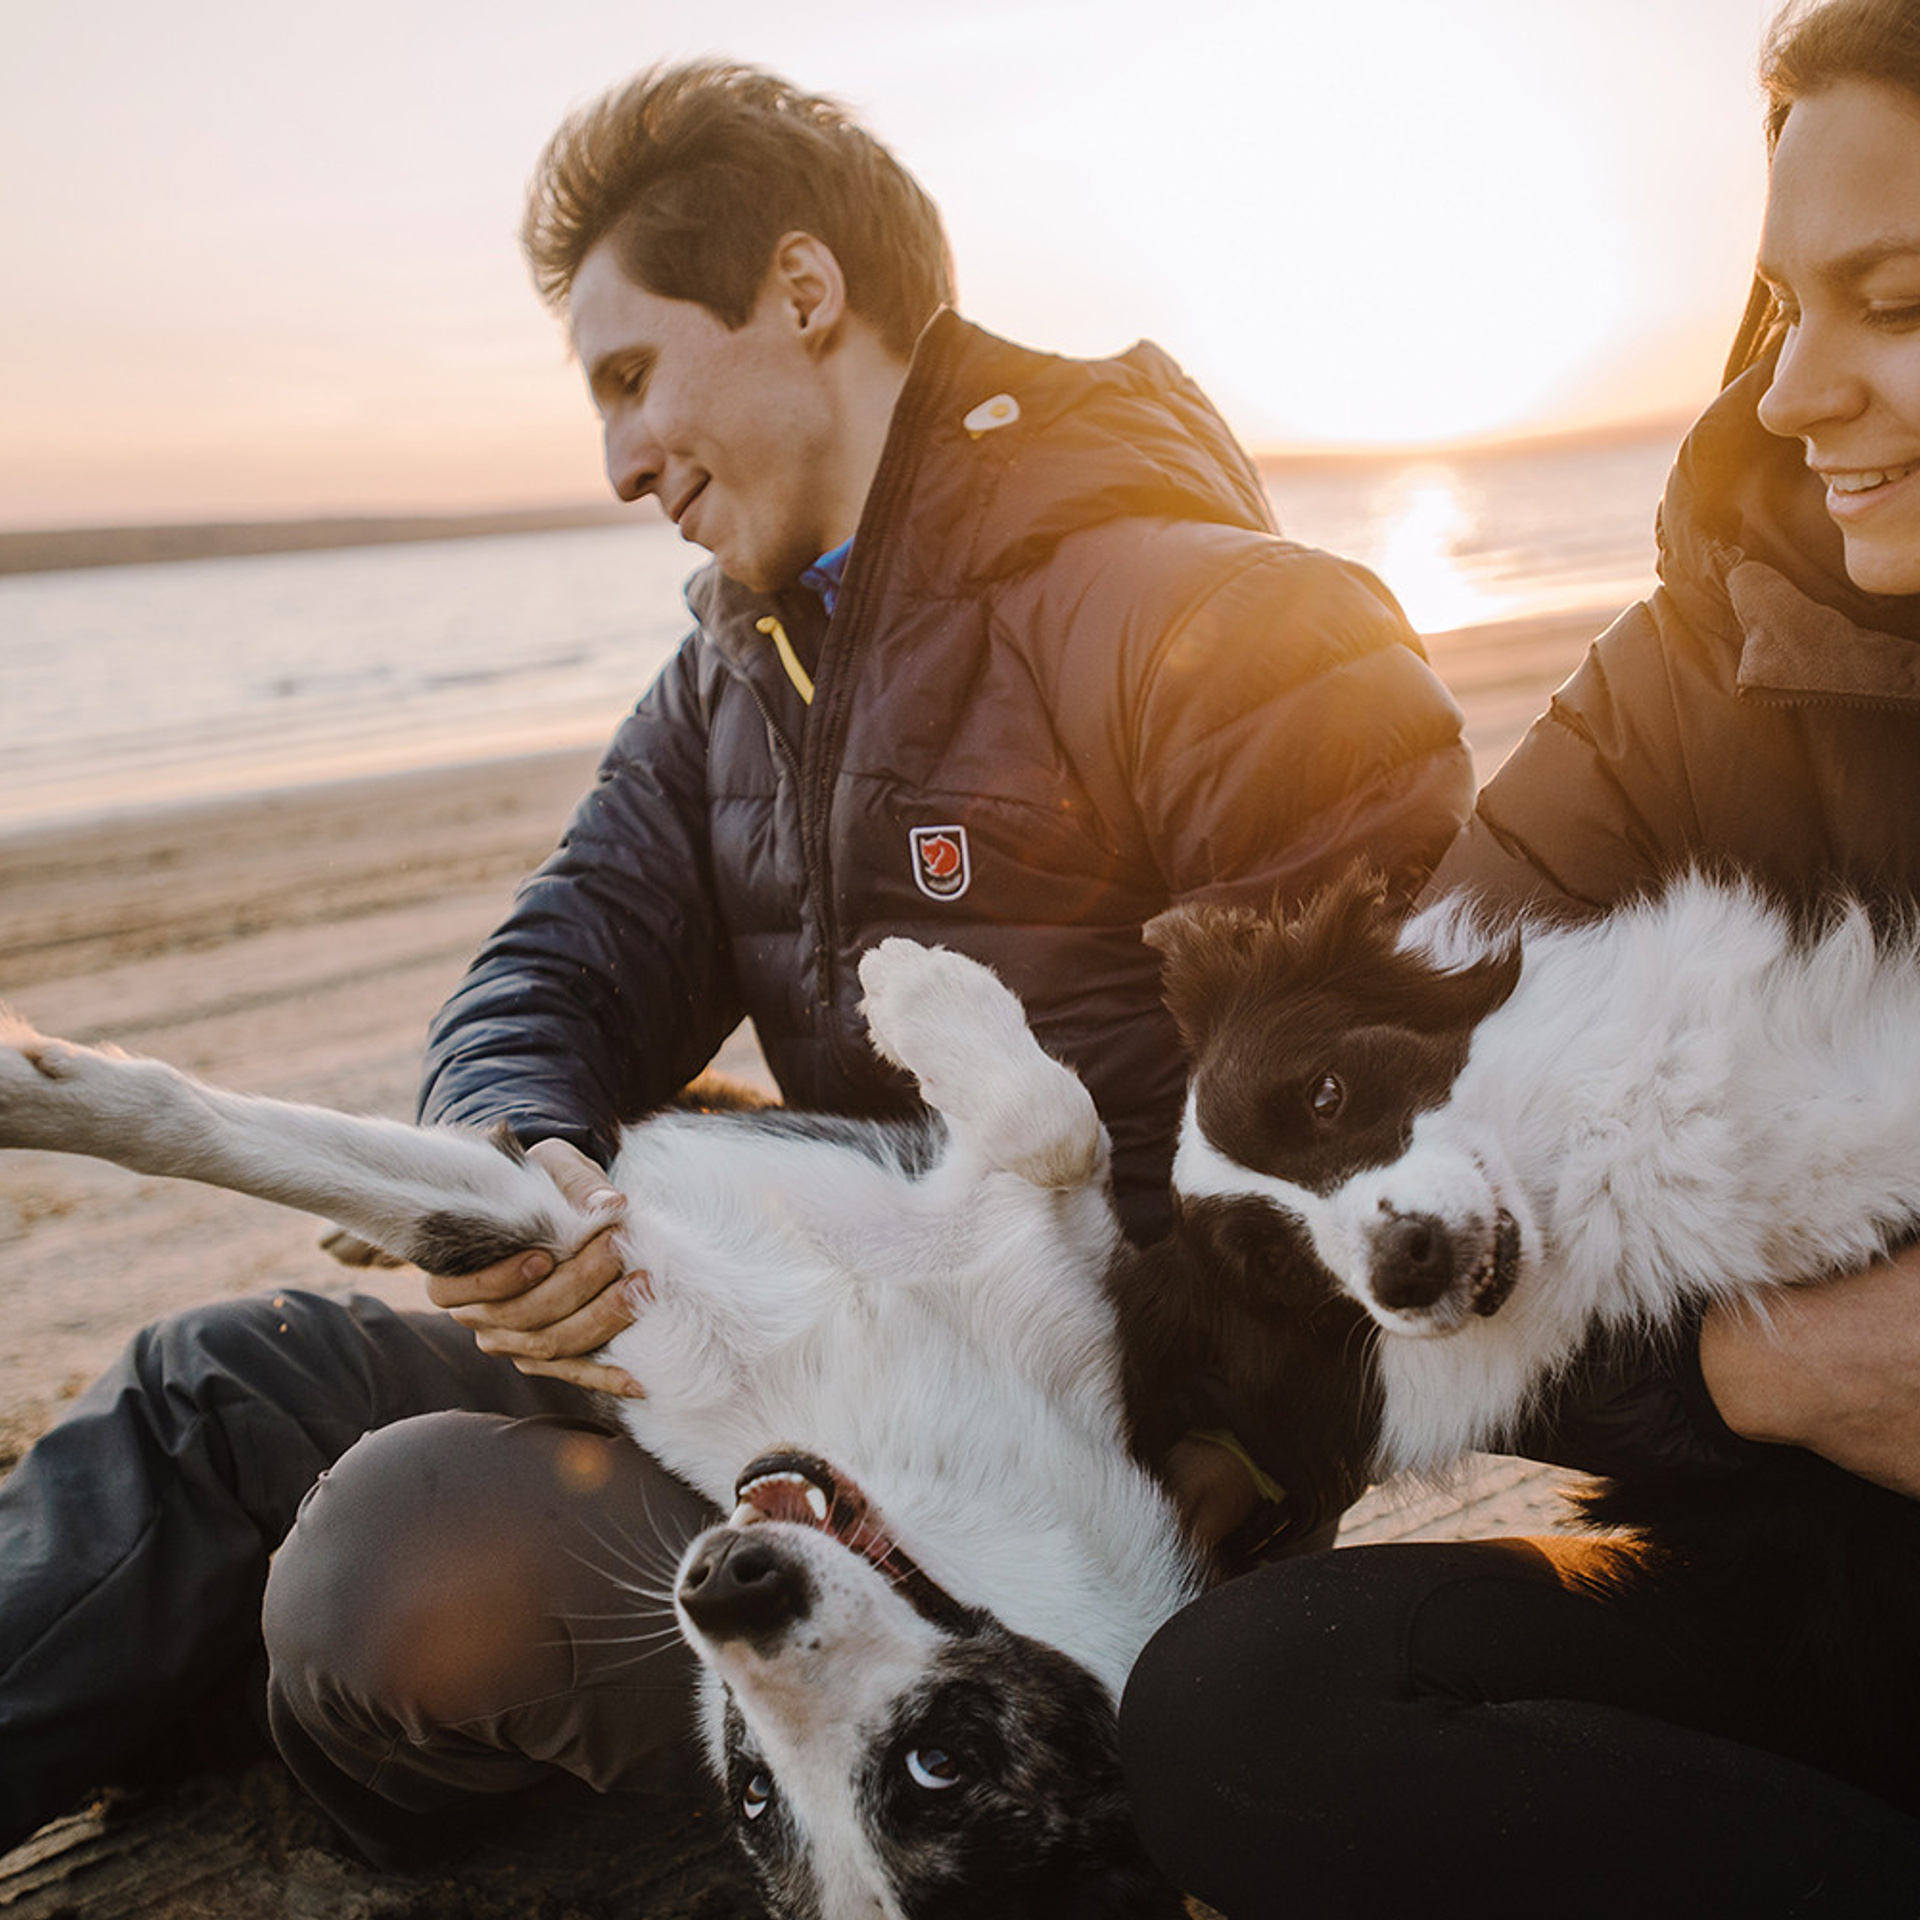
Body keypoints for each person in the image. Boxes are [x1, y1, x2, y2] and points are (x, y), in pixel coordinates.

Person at [0, 64, 1473, 1861]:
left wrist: (1191, 1476)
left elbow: (1389, 1145)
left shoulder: (1212, 618)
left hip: (1017, 1547)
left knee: (384, 1570)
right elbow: (552, 966)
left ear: (801, 292)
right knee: (218, 1392)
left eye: (631, 377)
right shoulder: (726, 689)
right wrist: (517, 1132)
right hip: (767, 1357)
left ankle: (352, 1726)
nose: (618, 463)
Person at [1120, 1, 1920, 1912]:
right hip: (1818, 1596)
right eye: (1782, 308)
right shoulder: (1681, 678)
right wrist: (1767, 1373)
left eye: (1892, 298)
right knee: (1249, 1710)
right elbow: (1372, 1277)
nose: (1800, 391)